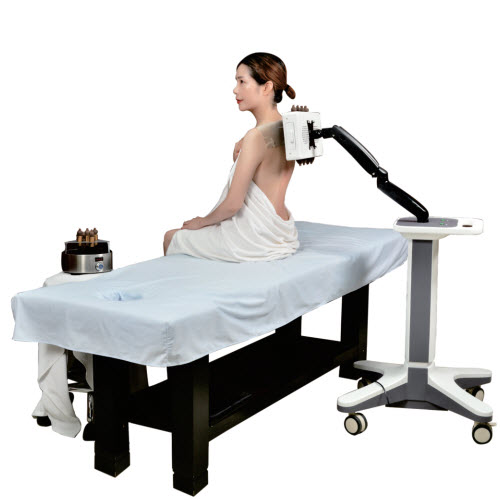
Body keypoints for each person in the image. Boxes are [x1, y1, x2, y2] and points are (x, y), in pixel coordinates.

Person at [163, 52, 300, 262]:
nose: (235, 89)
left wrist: (202, 222)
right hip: (281, 232)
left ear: (266, 87)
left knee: (170, 237)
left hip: (253, 237)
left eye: (242, 81)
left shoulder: (256, 137)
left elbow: (233, 204)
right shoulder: (288, 127)